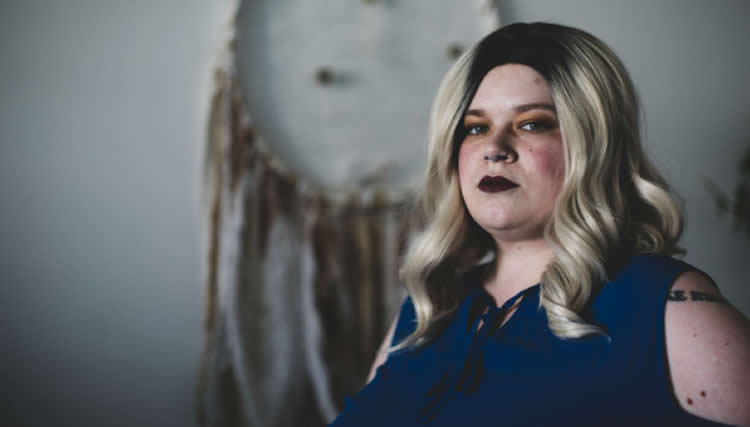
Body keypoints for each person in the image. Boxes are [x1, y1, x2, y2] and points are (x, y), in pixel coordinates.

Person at [329, 22, 750, 426]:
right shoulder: (427, 308)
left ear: (594, 146)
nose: (494, 148)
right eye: (475, 128)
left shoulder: (665, 305)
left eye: (532, 124)